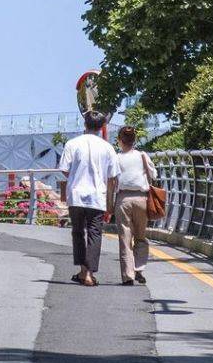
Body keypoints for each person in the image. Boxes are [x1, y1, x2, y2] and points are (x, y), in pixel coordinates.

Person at [59, 109, 119, 286]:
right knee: (94, 233)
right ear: (101, 127)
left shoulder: (72, 143)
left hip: (76, 194)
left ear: (85, 125)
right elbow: (113, 175)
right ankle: (89, 273)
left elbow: (64, 169)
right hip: (97, 196)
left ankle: (82, 271)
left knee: (78, 232)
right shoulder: (108, 148)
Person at [112, 124, 156, 285]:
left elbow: (112, 180)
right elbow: (153, 174)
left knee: (125, 238)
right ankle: (139, 269)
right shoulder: (142, 155)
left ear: (119, 140)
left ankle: (128, 275)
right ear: (135, 140)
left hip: (123, 199)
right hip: (141, 199)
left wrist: (109, 204)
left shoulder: (116, 158)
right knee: (141, 237)